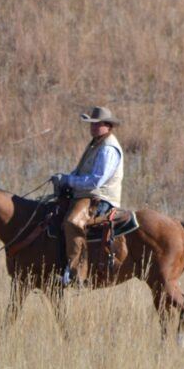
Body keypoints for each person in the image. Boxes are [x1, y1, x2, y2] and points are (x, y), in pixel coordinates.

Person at [52, 106, 124, 286]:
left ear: (108, 126)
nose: (92, 127)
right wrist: (65, 179)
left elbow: (95, 181)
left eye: (97, 124)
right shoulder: (96, 143)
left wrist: (68, 181)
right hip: (86, 195)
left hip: (100, 198)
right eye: (91, 124)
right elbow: (80, 172)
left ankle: (76, 273)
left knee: (72, 222)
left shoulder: (108, 148)